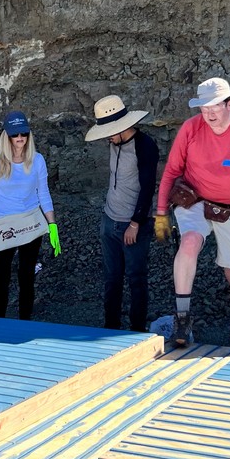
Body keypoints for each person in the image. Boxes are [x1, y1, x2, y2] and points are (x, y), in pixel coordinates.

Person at [154, 77, 230, 348]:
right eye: (204, 107)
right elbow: (172, 171)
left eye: (215, 106)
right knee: (189, 242)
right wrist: (161, 212)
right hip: (196, 199)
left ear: (229, 103)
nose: (209, 113)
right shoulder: (191, 128)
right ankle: (182, 320)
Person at [84, 94, 159, 332]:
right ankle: (111, 328)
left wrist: (135, 223)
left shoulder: (145, 146)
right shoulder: (114, 142)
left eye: (110, 131)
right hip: (109, 221)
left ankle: (137, 331)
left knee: (137, 278)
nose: (107, 136)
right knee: (112, 278)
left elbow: (148, 188)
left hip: (133, 225)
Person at [0, 111, 60, 320]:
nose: (20, 138)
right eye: (15, 134)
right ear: (7, 136)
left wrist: (52, 225)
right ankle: (0, 321)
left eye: (24, 133)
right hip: (4, 224)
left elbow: (43, 194)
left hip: (31, 222)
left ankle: (25, 323)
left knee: (27, 277)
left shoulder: (37, 160)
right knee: (1, 278)